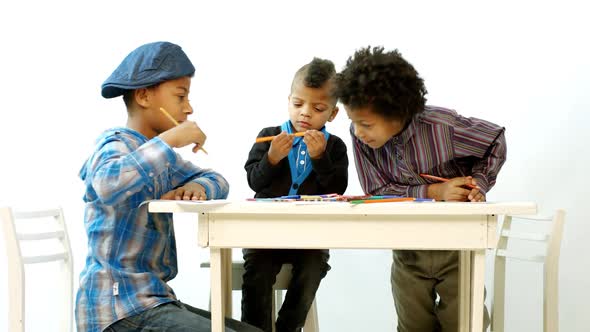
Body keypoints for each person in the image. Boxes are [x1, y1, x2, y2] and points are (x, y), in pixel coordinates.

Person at [76, 41, 261, 332]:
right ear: (144, 95)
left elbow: (218, 180)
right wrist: (171, 139)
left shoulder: (161, 158)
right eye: (180, 96)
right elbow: (108, 184)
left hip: (153, 299)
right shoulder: (113, 144)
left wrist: (199, 187)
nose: (188, 108)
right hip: (116, 308)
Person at [334, 46, 506, 332]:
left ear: (397, 113)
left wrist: (478, 183)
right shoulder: (361, 137)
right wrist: (435, 192)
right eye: (353, 122)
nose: (358, 132)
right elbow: (377, 190)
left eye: (365, 123)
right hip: (409, 250)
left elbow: (494, 140)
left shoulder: (441, 127)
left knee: (464, 323)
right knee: (413, 325)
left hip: (457, 247)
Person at [242, 58, 348, 332]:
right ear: (289, 100)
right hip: (265, 233)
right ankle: (254, 329)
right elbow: (254, 180)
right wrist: (272, 158)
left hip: (310, 236)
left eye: (318, 108)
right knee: (258, 272)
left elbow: (338, 190)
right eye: (298, 104)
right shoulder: (269, 136)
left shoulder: (334, 146)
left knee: (314, 267)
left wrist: (321, 158)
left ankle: (289, 327)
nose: (305, 113)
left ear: (333, 114)